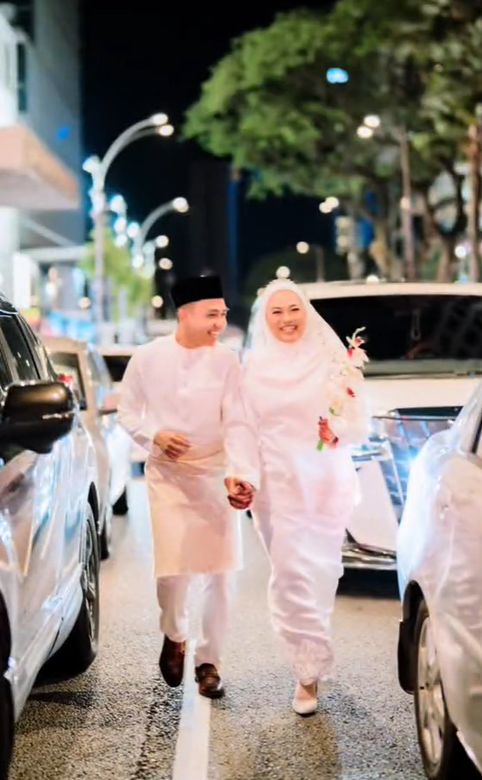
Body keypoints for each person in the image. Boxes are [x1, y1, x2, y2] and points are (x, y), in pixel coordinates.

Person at [230, 279, 369, 715]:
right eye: (277, 312)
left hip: (323, 482)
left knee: (320, 572)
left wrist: (339, 431)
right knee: (290, 573)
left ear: (305, 312)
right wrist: (243, 475)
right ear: (263, 319)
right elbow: (242, 428)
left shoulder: (333, 362)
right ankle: (306, 671)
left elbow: (357, 419)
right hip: (276, 487)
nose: (287, 319)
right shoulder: (250, 368)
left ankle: (308, 663)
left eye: (294, 309)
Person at [118, 274, 258, 699]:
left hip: (216, 474)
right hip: (169, 477)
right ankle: (174, 633)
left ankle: (210, 661)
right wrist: (154, 434)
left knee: (220, 576)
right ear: (185, 313)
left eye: (223, 314)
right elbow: (127, 413)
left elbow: (238, 421)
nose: (220, 321)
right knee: (173, 572)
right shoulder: (146, 357)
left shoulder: (228, 361)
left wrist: (240, 471)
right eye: (212, 314)